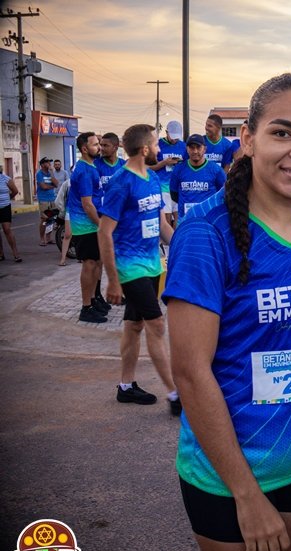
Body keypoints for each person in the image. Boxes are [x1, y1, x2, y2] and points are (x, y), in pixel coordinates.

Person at [163, 73, 291, 551]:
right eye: (282, 133)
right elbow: (190, 371)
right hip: (231, 478)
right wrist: (246, 495)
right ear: (247, 139)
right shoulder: (205, 232)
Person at [97, 124, 179, 413]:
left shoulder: (153, 178)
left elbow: (162, 225)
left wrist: (182, 249)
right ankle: (174, 395)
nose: (159, 148)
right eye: (156, 143)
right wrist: (112, 281)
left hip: (153, 264)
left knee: (134, 325)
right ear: (145, 148)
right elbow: (104, 232)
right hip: (130, 268)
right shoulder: (122, 182)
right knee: (157, 324)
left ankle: (126, 386)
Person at [68, 132, 109, 323]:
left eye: (99, 144)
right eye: (95, 145)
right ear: (84, 149)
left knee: (97, 262)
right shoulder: (84, 170)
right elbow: (87, 204)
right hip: (86, 226)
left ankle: (93, 300)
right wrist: (101, 225)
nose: (99, 147)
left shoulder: (91, 166)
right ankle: (86, 308)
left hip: (92, 224)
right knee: (89, 264)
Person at [169, 134, 227, 224]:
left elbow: (223, 193)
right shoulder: (178, 169)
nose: (195, 151)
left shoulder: (216, 170)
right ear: (187, 149)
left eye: (198, 147)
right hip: (185, 220)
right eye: (192, 148)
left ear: (204, 149)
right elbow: (174, 194)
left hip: (208, 220)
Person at [150, 120, 189, 220]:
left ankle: (175, 235)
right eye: (172, 137)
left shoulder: (183, 146)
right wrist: (164, 162)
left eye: (176, 138)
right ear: (167, 132)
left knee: (178, 216)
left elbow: (187, 165)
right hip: (163, 187)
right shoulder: (158, 145)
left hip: (178, 186)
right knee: (166, 217)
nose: (174, 140)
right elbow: (150, 167)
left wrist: (180, 163)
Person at [0, 164, 22, 262]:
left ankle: (15, 253)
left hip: (5, 207)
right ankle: (1, 254)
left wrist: (7, 198)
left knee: (7, 229)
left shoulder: (6, 179)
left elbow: (15, 191)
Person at [35, 157, 59, 246]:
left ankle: (48, 238)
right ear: (42, 164)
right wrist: (51, 186)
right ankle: (42, 238)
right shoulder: (39, 174)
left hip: (52, 198)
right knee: (44, 219)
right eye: (47, 162)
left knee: (51, 219)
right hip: (43, 199)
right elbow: (43, 187)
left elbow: (56, 184)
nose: (49, 163)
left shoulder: (50, 173)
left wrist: (52, 172)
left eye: (49, 162)